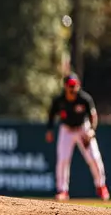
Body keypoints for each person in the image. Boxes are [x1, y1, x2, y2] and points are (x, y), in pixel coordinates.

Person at [45, 73, 109, 201]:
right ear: (65, 86)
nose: (73, 89)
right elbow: (51, 115)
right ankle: (62, 190)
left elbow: (93, 116)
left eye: (75, 86)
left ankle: (101, 186)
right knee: (63, 160)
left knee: (94, 158)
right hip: (67, 130)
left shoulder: (84, 99)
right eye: (70, 86)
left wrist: (91, 131)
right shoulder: (59, 100)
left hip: (82, 128)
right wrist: (50, 130)